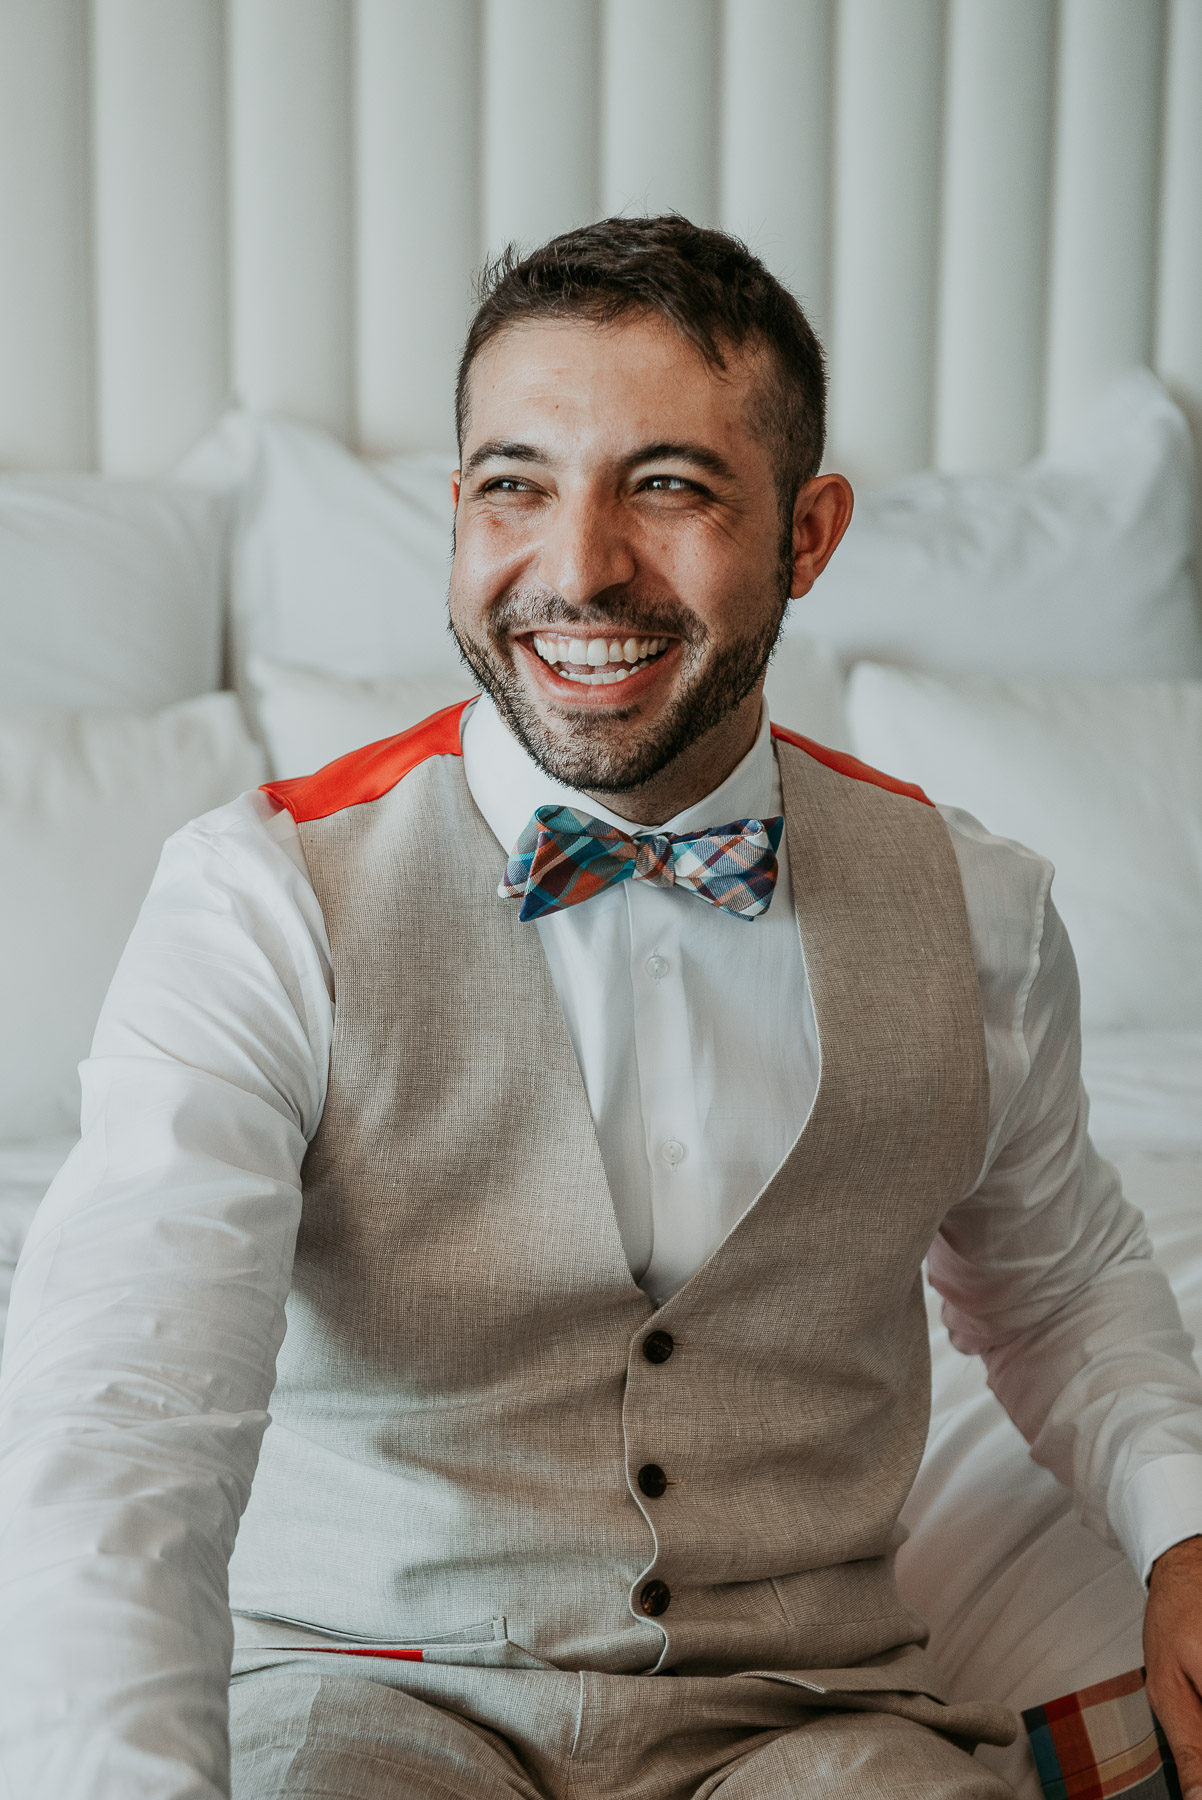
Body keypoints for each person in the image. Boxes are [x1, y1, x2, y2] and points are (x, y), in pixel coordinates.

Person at [2, 215, 1202, 1800]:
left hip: (809, 1710)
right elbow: (130, 1408)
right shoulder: (258, 898)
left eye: (669, 485)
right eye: (514, 483)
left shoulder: (975, 911)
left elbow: (1055, 1283)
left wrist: (1180, 1525)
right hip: (356, 1684)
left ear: (809, 533)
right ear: (456, 512)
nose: (576, 567)